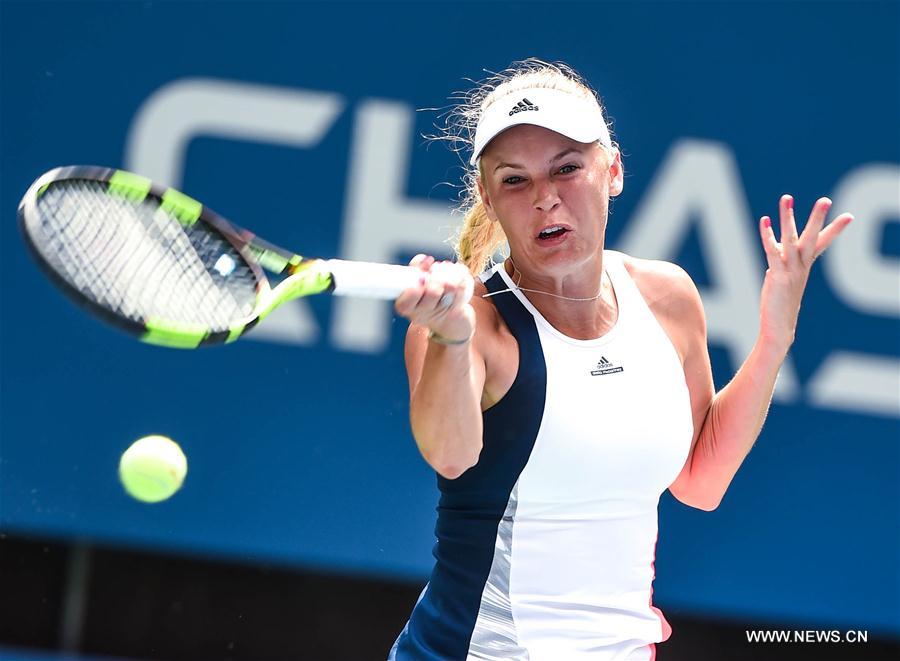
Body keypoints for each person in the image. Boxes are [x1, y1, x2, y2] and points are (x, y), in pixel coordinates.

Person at [388, 59, 853, 660]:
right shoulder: (470, 321)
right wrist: (449, 337)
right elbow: (450, 456)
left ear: (612, 171)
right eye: (515, 180)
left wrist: (775, 337)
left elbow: (701, 481)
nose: (545, 199)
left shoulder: (668, 299)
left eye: (567, 169)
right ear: (489, 198)